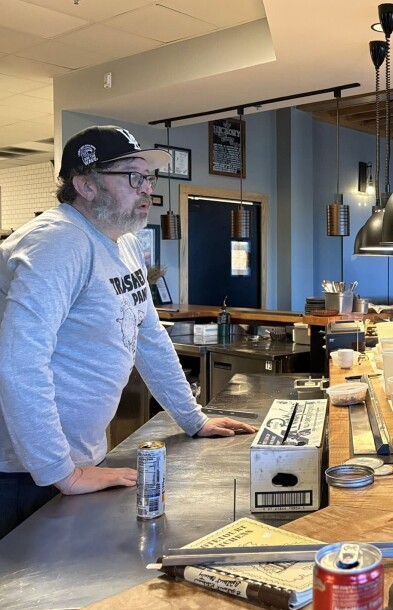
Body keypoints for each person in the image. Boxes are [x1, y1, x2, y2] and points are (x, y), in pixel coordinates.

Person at [0, 125, 257, 540]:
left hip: (72, 459)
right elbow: (19, 362)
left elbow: (149, 337)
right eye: (133, 177)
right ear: (85, 184)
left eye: (149, 179)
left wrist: (194, 419)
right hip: (22, 472)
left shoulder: (123, 243)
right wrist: (59, 471)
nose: (147, 191)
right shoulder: (59, 243)